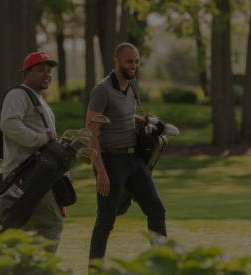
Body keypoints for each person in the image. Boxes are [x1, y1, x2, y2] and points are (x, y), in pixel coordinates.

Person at [86, 42, 167, 263]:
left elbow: (123, 117)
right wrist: (100, 170)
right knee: (105, 221)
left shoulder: (132, 86)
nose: (134, 65)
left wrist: (144, 120)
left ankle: (162, 265)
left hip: (135, 160)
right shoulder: (101, 90)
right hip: (111, 162)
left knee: (157, 210)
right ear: (116, 61)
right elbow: (90, 132)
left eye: (137, 61)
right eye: (129, 61)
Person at [0, 51, 63, 252]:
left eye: (49, 71)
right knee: (51, 224)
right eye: (40, 70)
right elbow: (9, 124)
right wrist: (42, 138)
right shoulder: (18, 94)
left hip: (36, 174)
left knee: (24, 232)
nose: (47, 74)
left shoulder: (38, 99)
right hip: (26, 175)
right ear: (26, 73)